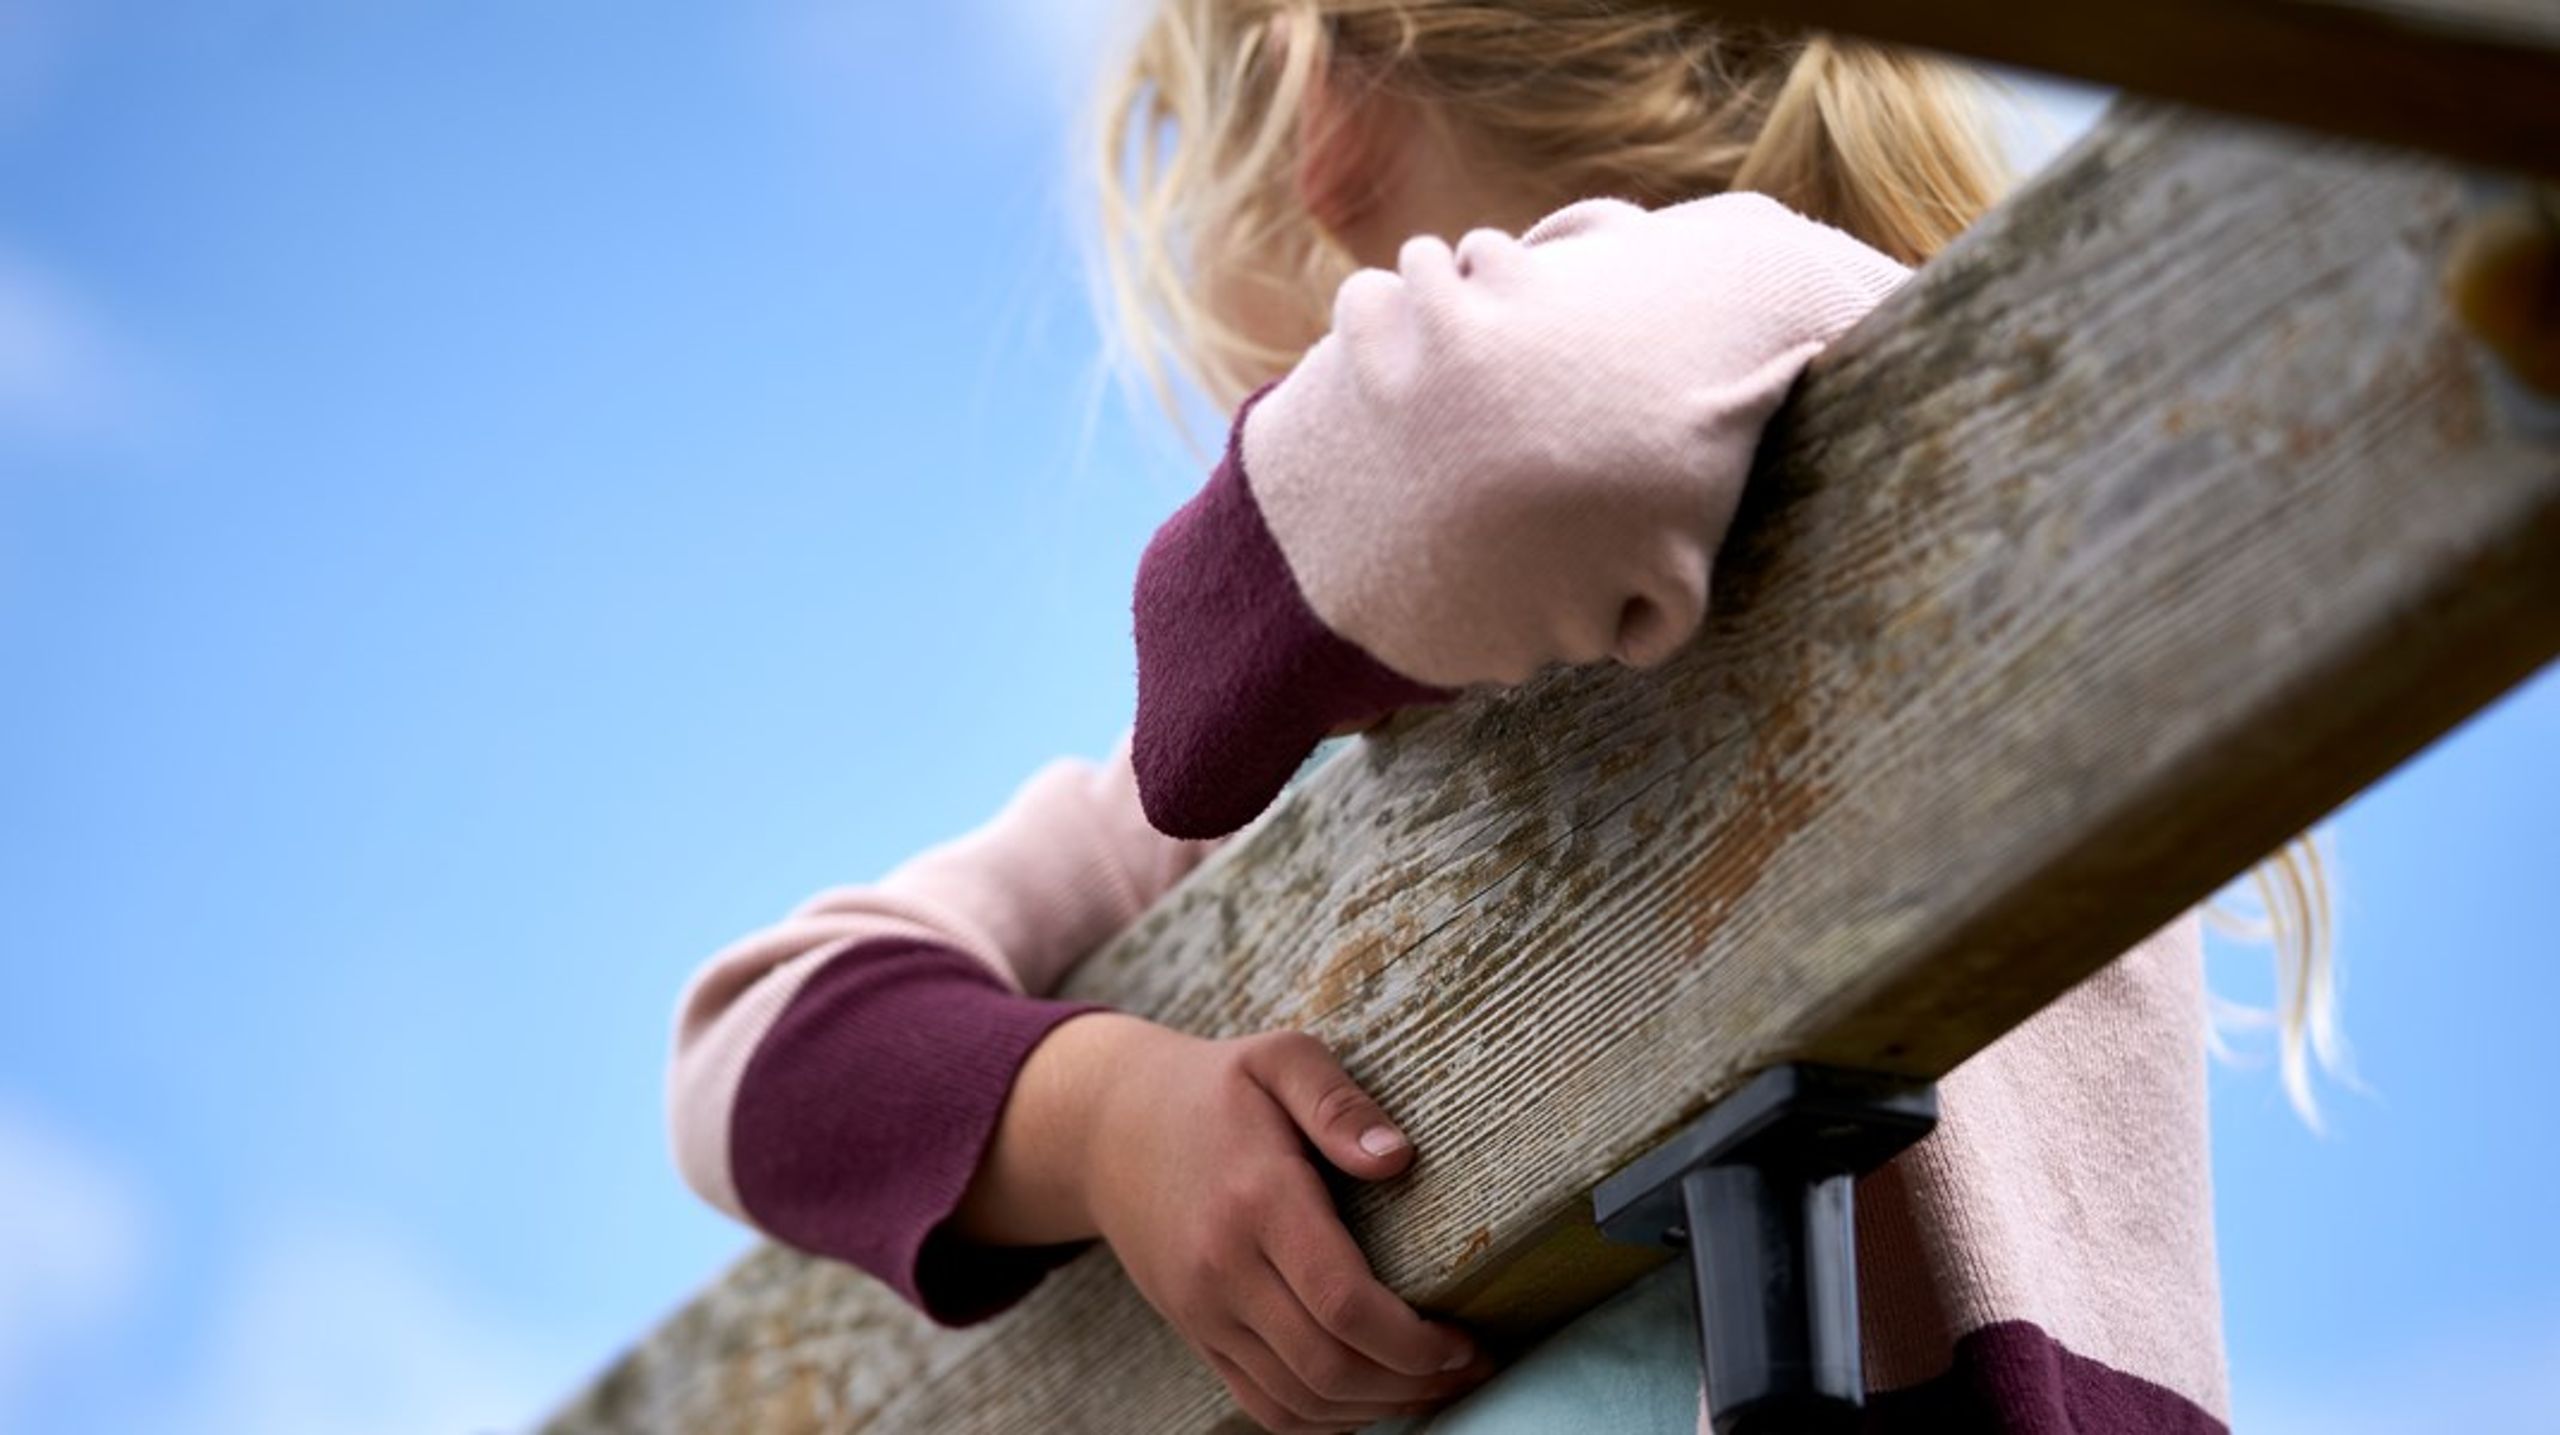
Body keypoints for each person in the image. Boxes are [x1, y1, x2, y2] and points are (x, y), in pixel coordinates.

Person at [669, 4, 2339, 1431]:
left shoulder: (1835, 321)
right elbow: (754, 1044)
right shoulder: (1293, 772)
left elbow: (1507, 430)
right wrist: (1108, 1119)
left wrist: (1218, 635)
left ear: (1323, 111)